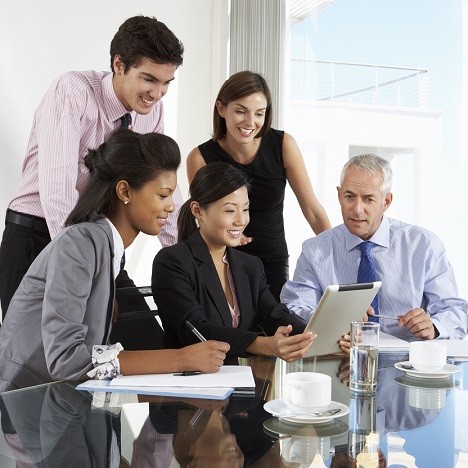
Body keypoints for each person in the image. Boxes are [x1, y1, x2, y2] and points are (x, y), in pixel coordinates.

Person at [0, 130, 229, 392]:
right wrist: (181, 358)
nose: (170, 207)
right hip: (21, 404)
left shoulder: (106, 247)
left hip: (59, 403)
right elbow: (65, 360)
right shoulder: (81, 243)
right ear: (124, 191)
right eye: (163, 195)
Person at [0, 15, 185, 318]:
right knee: (33, 360)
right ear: (119, 65)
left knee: (144, 341)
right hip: (37, 235)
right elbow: (57, 194)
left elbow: (163, 186)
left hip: (102, 240)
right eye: (149, 79)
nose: (158, 93)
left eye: (166, 83)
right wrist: (84, 270)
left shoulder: (152, 113)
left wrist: (190, 256)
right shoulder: (73, 93)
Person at [281, 153, 468, 348]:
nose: (357, 209)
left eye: (368, 199)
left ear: (386, 202)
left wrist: (434, 327)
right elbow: (295, 308)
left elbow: (455, 310)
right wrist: (333, 318)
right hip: (341, 358)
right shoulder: (314, 251)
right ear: (339, 195)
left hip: (409, 363)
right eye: (349, 196)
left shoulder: (424, 245)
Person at [186, 71, 331, 301]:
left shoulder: (283, 145)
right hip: (224, 260)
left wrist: (335, 255)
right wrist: (231, 235)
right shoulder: (200, 158)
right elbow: (202, 217)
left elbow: (312, 211)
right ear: (222, 109)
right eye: (240, 111)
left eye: (259, 113)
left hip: (272, 261)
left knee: (279, 329)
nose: (250, 122)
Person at [152, 162, 314, 362]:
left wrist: (312, 335)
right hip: (191, 382)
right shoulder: (172, 262)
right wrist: (264, 345)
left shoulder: (250, 265)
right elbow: (196, 331)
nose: (241, 220)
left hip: (243, 380)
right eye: (230, 211)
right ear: (198, 211)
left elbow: (275, 315)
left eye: (245, 209)